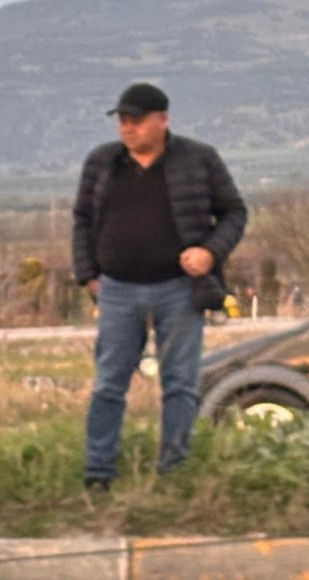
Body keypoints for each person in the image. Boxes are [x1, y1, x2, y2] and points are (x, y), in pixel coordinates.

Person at [72, 83, 248, 490]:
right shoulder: (103, 163)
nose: (127, 129)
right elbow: (81, 220)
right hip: (117, 289)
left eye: (136, 121)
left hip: (180, 290)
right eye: (122, 121)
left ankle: (174, 471)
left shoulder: (198, 160)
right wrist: (88, 275)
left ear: (162, 120)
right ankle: (98, 473)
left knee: (180, 385)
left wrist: (210, 252)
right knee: (109, 384)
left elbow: (235, 213)